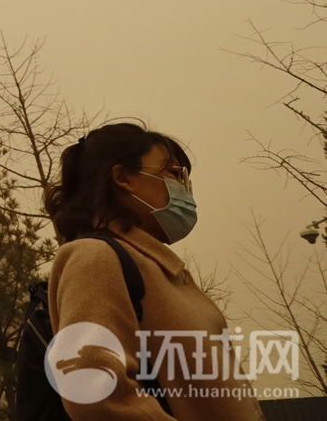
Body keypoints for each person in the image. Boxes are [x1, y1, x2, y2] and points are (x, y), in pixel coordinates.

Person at [45, 122, 261, 420]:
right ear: (123, 178)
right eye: (172, 173)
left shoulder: (153, 267)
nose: (184, 189)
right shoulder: (93, 257)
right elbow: (93, 389)